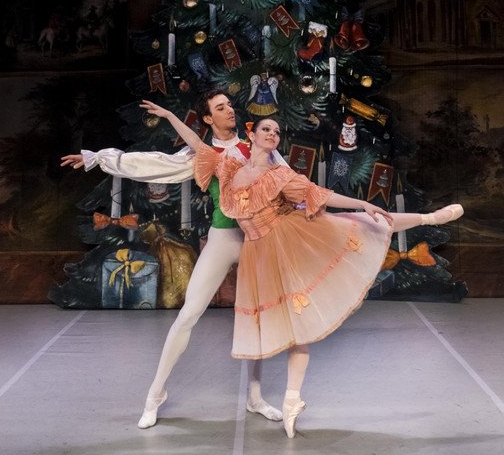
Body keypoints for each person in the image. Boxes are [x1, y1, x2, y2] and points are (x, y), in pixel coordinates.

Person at [139, 103, 464, 438]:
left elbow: (320, 194)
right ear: (251, 136)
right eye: (266, 129)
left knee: (361, 223)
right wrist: (169, 116)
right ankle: (158, 395)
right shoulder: (229, 166)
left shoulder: (280, 175)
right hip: (250, 246)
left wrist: (363, 202)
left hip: (284, 236)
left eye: (277, 132)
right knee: (233, 316)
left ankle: (428, 218)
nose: (272, 134)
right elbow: (196, 143)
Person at [61, 88, 284, 428]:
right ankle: (155, 394)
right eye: (220, 108)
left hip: (256, 239)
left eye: (229, 105)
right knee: (188, 314)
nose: (229, 111)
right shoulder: (202, 154)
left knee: (258, 317)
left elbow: (290, 182)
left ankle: (255, 396)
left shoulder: (255, 146)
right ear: (208, 118)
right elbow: (153, 163)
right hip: (224, 237)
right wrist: (97, 158)